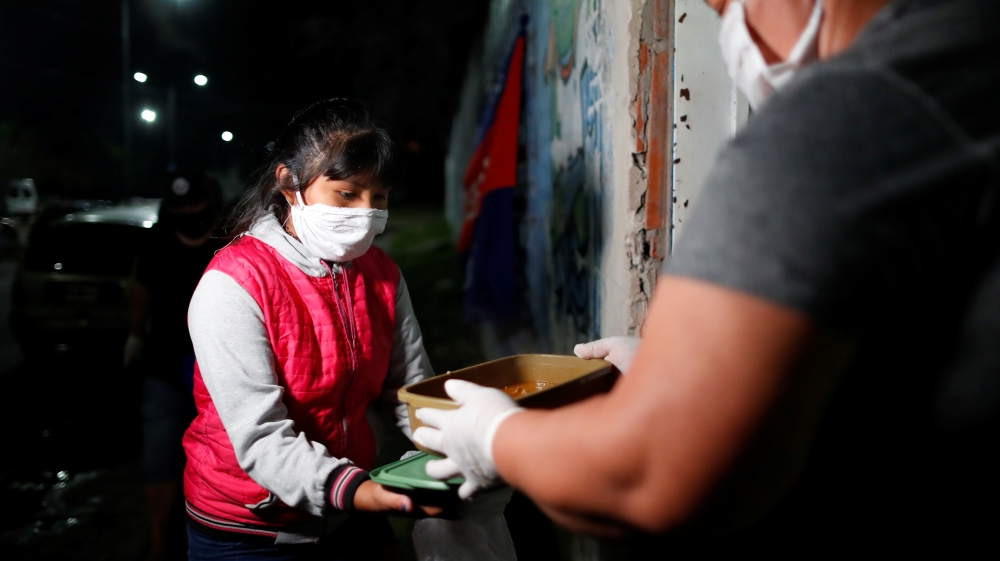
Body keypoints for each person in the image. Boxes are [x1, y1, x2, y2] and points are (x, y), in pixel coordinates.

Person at [414, 0, 1000, 553]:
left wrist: (495, 439)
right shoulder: (965, 50)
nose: (731, 35)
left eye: (726, 7)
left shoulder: (845, 115)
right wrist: (710, 366)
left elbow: (650, 471)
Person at [182, 99, 438, 561]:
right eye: (347, 194)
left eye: (378, 197)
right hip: (251, 526)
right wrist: (356, 490)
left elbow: (410, 388)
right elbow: (260, 437)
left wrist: (462, 444)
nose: (366, 213)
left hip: (354, 505)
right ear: (289, 183)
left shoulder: (382, 273)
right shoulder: (232, 284)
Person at [126, 170, 225, 561]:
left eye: (194, 204)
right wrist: (134, 333)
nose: (188, 212)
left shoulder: (226, 241)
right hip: (165, 369)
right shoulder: (155, 242)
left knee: (218, 458)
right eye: (180, 206)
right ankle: (160, 541)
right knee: (160, 456)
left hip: (219, 372)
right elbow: (140, 290)